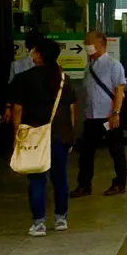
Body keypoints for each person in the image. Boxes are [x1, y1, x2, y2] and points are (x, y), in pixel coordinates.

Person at [9, 38, 76, 236]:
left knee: (37, 179)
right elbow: (71, 109)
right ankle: (61, 218)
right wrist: (70, 134)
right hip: (59, 136)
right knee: (60, 178)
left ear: (38, 55)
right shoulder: (63, 79)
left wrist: (17, 136)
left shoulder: (23, 78)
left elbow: (17, 110)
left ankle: (39, 223)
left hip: (34, 135)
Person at [74, 31, 127, 197]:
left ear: (101, 44)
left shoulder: (113, 65)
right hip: (92, 117)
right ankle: (84, 185)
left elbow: (119, 90)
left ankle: (120, 183)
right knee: (86, 152)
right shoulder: (89, 65)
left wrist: (116, 113)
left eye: (89, 42)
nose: (86, 46)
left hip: (109, 116)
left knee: (116, 150)